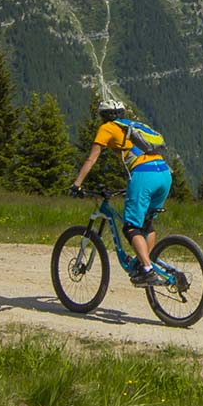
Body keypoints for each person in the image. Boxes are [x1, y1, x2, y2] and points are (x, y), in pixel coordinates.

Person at [69, 101, 174, 281]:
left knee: (131, 226)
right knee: (147, 224)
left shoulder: (107, 128)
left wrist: (77, 184)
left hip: (144, 174)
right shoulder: (134, 126)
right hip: (164, 173)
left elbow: (91, 159)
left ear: (103, 116)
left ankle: (147, 269)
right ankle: (146, 262)